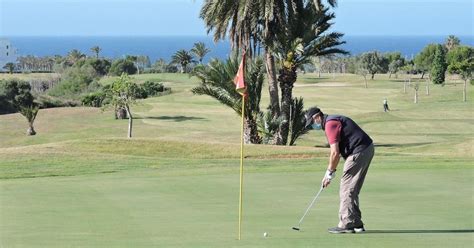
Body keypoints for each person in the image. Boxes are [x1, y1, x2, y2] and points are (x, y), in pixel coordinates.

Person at [304, 107, 374, 234]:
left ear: (317, 117)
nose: (313, 126)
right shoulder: (331, 121)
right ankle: (356, 223)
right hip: (365, 149)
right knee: (352, 188)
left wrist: (329, 173)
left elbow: (335, 153)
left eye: (312, 122)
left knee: (346, 188)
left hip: (359, 151)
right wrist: (331, 171)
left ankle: (346, 223)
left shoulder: (330, 124)